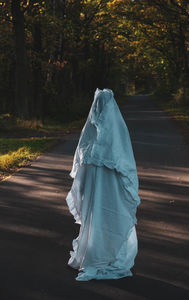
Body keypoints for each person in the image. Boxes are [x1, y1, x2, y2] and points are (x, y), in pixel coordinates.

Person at [65, 88, 140, 281]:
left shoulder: (110, 133)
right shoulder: (92, 134)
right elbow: (81, 160)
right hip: (97, 188)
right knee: (97, 218)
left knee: (107, 217)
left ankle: (104, 255)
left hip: (109, 189)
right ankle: (96, 255)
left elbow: (122, 161)